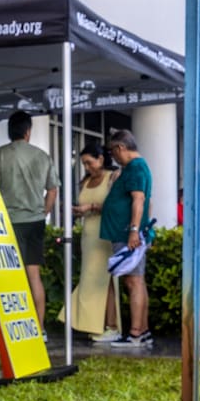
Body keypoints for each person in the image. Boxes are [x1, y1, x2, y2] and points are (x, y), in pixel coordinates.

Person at [0, 110, 58, 331]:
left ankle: (13, 330)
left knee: (9, 277)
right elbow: (52, 190)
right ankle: (39, 328)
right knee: (33, 275)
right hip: (35, 221)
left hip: (7, 223)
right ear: (28, 131)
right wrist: (43, 212)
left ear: (10, 131)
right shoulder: (42, 156)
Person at [100, 130, 152, 347]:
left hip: (127, 234)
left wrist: (133, 230)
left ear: (121, 148)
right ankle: (143, 331)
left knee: (133, 281)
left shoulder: (135, 168)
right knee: (137, 280)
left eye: (112, 152)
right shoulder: (135, 167)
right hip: (126, 232)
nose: (113, 157)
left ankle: (135, 333)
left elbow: (138, 200)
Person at [64, 143, 120, 341]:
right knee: (89, 278)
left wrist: (92, 207)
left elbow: (117, 206)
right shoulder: (85, 181)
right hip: (88, 235)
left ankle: (111, 325)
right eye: (84, 164)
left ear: (101, 159)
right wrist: (80, 211)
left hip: (105, 234)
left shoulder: (113, 177)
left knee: (106, 280)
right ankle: (92, 323)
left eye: (89, 163)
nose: (87, 167)